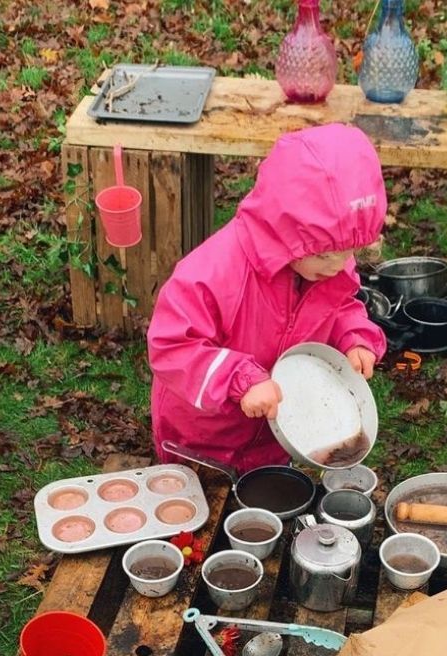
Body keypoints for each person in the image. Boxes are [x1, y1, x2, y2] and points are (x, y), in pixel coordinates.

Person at [148, 123, 388, 472]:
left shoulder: (324, 266)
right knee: (202, 514)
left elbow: (341, 306)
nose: (337, 266)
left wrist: (354, 336)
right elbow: (172, 347)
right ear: (287, 232)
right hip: (204, 437)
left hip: (276, 432)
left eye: (349, 252)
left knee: (264, 506)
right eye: (324, 255)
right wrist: (239, 379)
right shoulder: (211, 274)